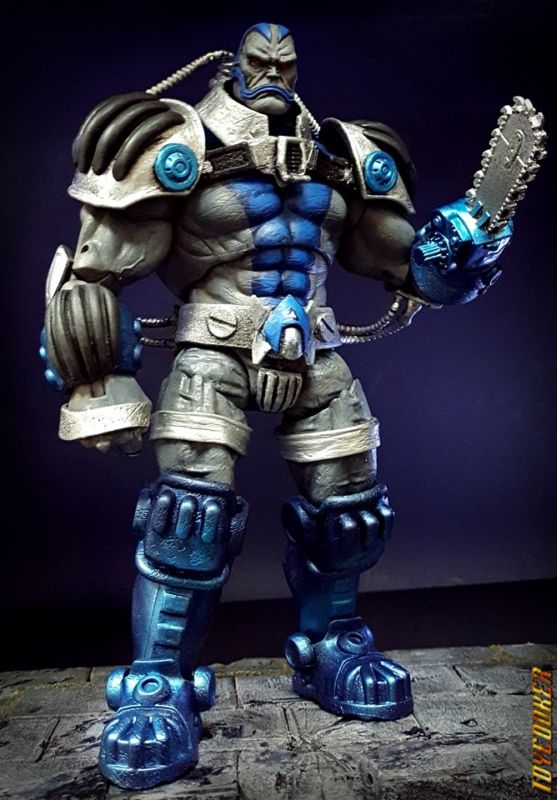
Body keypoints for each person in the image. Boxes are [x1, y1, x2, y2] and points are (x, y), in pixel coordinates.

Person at [42, 21, 540, 790]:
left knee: (350, 508)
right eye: (259, 60)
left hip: (313, 349)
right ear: (233, 63)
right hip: (215, 348)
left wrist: (456, 251)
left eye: (285, 62)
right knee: (189, 517)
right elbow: (93, 273)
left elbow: (400, 266)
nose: (273, 71)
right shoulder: (176, 142)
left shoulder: (343, 156)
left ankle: (332, 646)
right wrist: (97, 382)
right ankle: (157, 683)